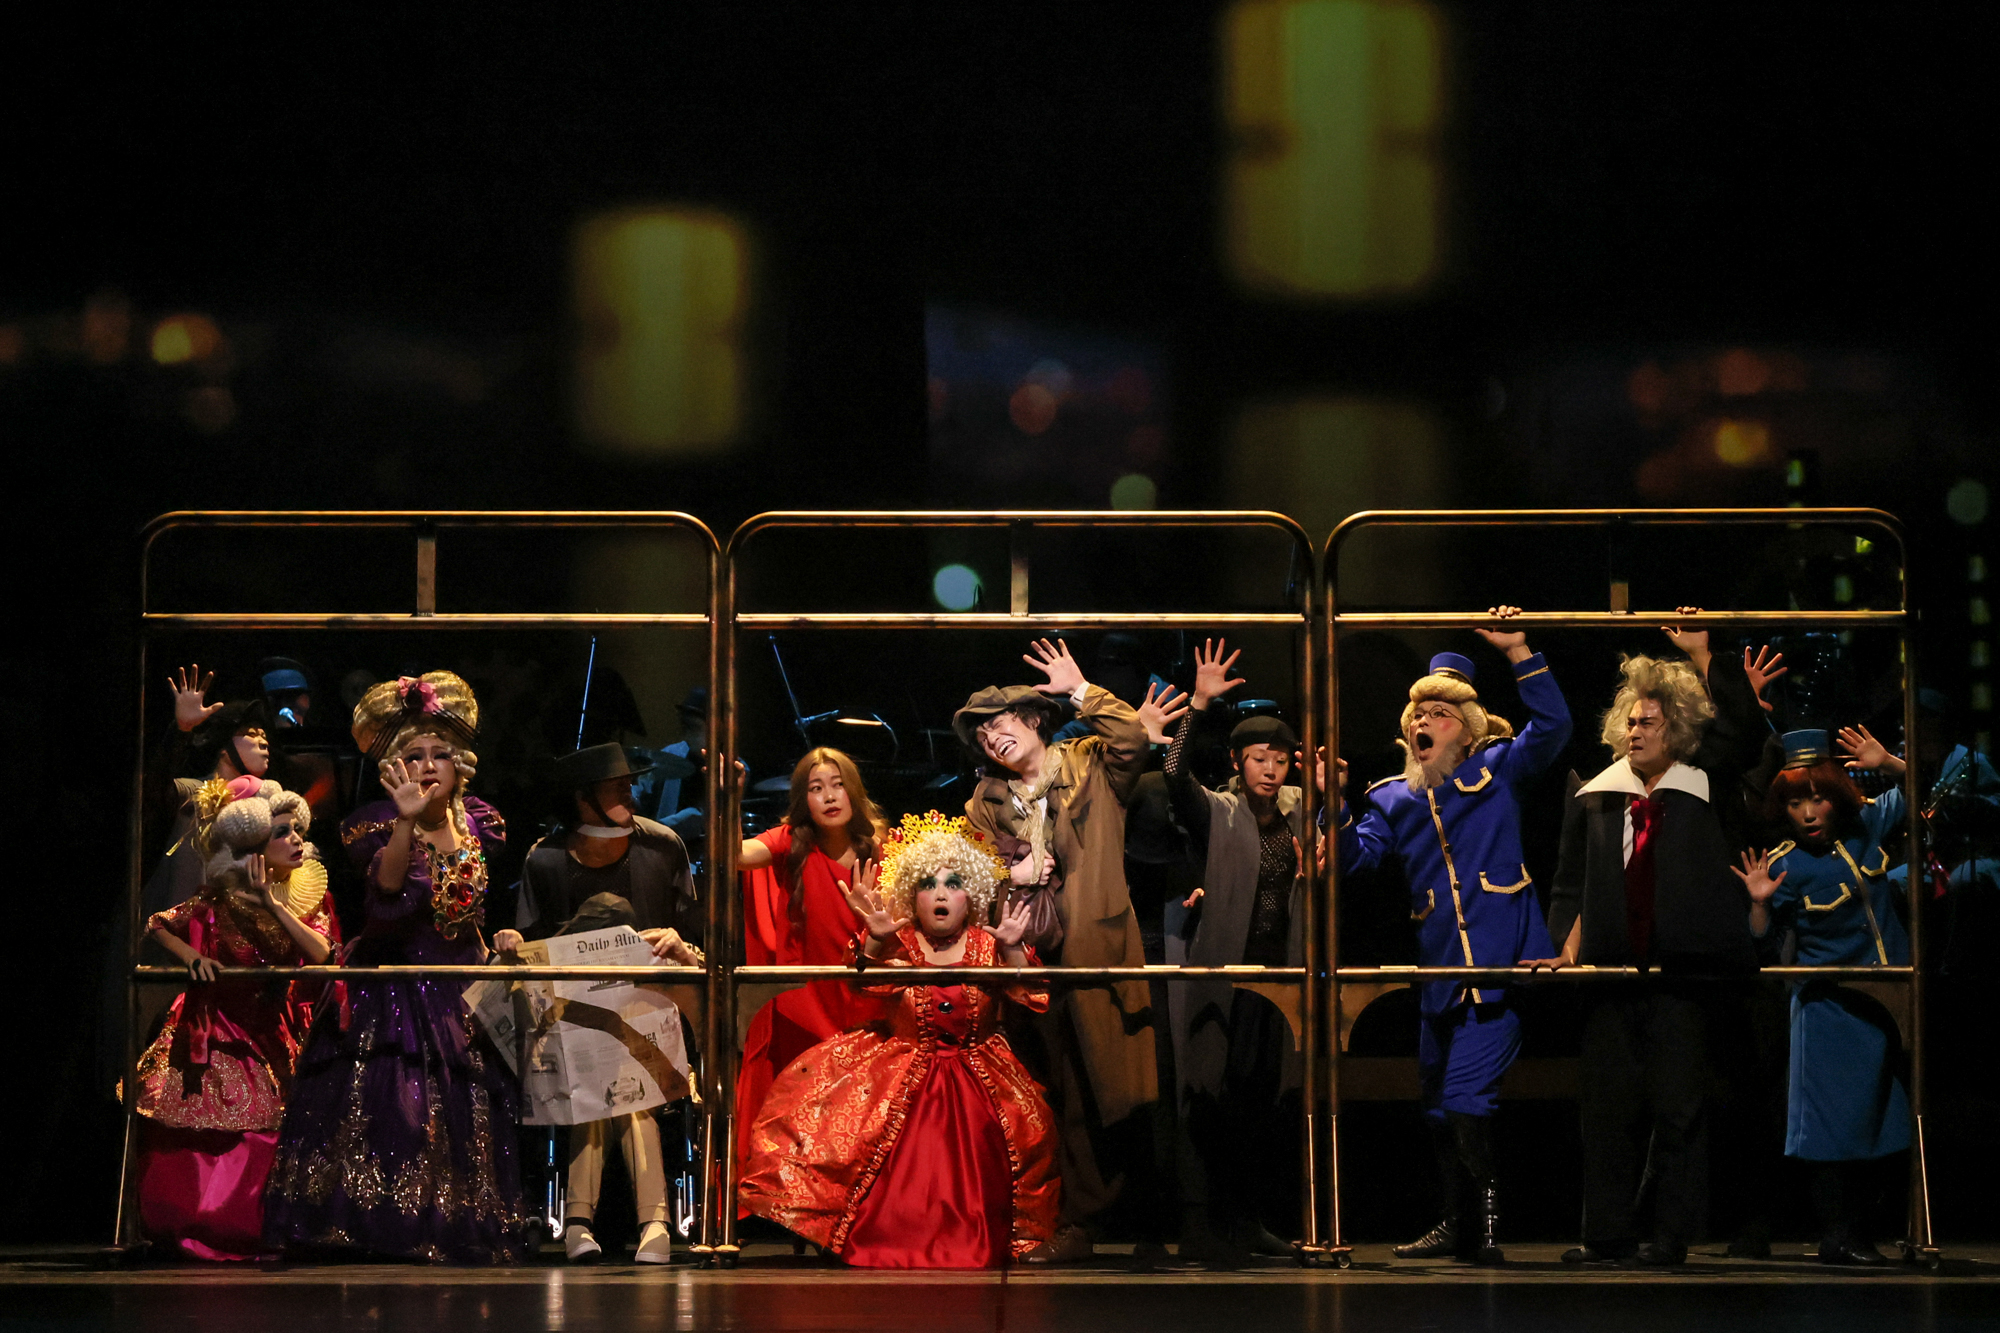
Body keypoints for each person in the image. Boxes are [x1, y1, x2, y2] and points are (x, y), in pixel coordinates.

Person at [1333, 608, 1570, 1266]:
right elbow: (1354, 863)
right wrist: (1335, 805)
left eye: (1439, 713)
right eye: (1418, 713)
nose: (1424, 721)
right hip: (1439, 978)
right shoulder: (1393, 798)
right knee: (1438, 1107)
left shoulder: (1498, 771)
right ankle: (1456, 1223)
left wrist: (1519, 651)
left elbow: (1554, 728)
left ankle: (1485, 1230)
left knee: (1467, 1100)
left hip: (1497, 972)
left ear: (1466, 731)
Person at [264, 671, 524, 1263]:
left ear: (460, 766)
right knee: (397, 1107)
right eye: (414, 755)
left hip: (463, 988)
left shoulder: (478, 823)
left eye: (439, 754)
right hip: (398, 987)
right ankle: (378, 1227)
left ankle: (456, 1224)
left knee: (464, 1113)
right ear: (394, 769)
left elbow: (466, 908)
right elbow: (386, 897)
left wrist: (498, 940)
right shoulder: (380, 823)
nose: (428, 765)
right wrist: (407, 821)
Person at [1538, 614, 1766, 1267]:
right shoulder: (1597, 794)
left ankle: (1670, 1235)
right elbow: (1570, 882)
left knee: (1678, 1110)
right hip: (1611, 974)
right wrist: (1566, 950)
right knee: (1607, 1109)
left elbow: (1744, 732)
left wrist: (1702, 654)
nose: (1636, 731)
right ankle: (1607, 1233)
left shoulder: (1702, 782)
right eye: (1631, 721)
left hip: (1682, 974)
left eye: (1651, 722)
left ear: (1679, 728)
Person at [738, 812, 1059, 1267]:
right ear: (912, 894)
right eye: (928, 884)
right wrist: (874, 939)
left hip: (980, 1077)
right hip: (903, 1070)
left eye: (953, 883)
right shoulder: (899, 942)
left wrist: (1010, 948)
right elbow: (864, 983)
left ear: (972, 894)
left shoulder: (987, 944)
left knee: (1013, 1134)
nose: (941, 893)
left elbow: (1031, 994)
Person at [955, 638, 1155, 1264]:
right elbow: (969, 880)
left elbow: (1133, 738)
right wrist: (1008, 876)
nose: (992, 739)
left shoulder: (1089, 762)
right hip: (1028, 963)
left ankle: (1140, 1222)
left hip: (1097, 946)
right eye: (982, 735)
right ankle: (1075, 1223)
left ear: (1033, 720)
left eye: (1000, 724)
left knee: (1118, 1090)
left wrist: (1079, 689)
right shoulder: (984, 803)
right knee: (1055, 1093)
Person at [492, 742, 704, 1265]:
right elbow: (532, 948)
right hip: (572, 1024)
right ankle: (634, 1222)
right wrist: (511, 945)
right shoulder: (546, 858)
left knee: (629, 1090)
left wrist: (681, 946)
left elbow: (699, 944)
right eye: (618, 787)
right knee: (598, 1091)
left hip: (649, 1014)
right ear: (584, 797)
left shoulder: (662, 848)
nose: (632, 793)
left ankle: (597, 1222)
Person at [134, 775, 338, 1260]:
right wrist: (192, 957)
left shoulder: (304, 901)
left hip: (271, 1029)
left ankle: (259, 1224)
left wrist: (273, 904)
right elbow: (158, 923)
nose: (297, 840)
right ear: (255, 849)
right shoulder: (218, 899)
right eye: (282, 833)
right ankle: (200, 1221)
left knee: (270, 1124)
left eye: (298, 832)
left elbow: (322, 953)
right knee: (208, 1126)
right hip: (217, 1023)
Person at [1734, 726, 1912, 1265]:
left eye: (1816, 798)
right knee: (1835, 1127)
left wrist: (1891, 764)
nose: (1808, 813)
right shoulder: (1785, 863)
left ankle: (1865, 1229)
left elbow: (1924, 796)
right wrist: (1760, 904)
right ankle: (1838, 1234)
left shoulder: (1866, 827)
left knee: (1886, 1120)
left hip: (1887, 1002)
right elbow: (1763, 945)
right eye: (1795, 803)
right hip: (1830, 1008)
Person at [1161, 639, 1314, 1262]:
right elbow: (1175, 774)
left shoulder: (1300, 816)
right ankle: (1203, 1223)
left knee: (1261, 1103)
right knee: (1209, 1097)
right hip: (1225, 976)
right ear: (1237, 762)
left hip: (1278, 979)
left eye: (1278, 760)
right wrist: (1198, 703)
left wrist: (1333, 798)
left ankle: (1247, 1221)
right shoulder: (1221, 812)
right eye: (1257, 759)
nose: (1269, 770)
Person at [734, 747, 892, 1198]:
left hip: (863, 998)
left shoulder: (886, 846)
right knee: (802, 1115)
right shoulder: (791, 841)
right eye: (816, 788)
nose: (829, 796)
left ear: (854, 790)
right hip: (803, 1003)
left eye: (838, 785)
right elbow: (735, 855)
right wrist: (729, 798)